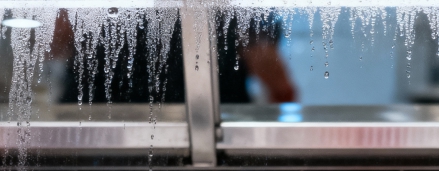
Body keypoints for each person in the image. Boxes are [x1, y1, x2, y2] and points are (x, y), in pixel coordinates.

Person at [51, 12, 296, 104]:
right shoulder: (240, 11)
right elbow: (280, 87)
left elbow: (52, 46)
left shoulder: (239, 12)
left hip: (95, 140)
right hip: (203, 147)